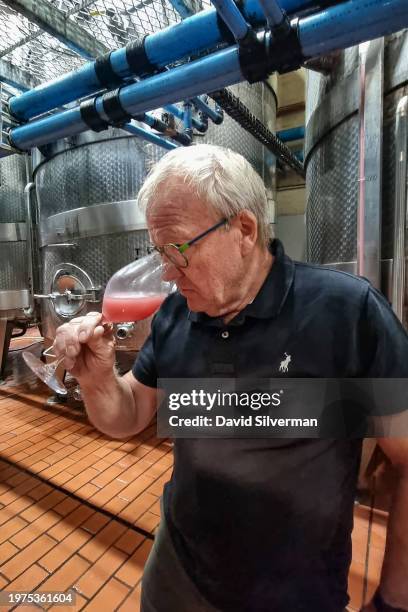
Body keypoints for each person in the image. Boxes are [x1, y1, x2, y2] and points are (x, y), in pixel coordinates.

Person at [53, 145, 408, 612]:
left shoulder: (345, 313)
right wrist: (99, 378)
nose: (166, 272)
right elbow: (131, 414)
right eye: (158, 252)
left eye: (177, 248)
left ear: (243, 229)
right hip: (178, 572)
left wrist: (394, 600)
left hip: (294, 594)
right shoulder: (176, 314)